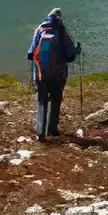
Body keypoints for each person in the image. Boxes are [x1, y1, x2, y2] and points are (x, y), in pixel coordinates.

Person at [27, 8, 81, 141]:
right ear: (60, 18)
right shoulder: (61, 31)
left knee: (41, 101)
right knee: (55, 100)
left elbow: (30, 53)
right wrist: (77, 50)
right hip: (58, 74)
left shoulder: (40, 29)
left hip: (40, 74)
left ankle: (40, 133)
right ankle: (52, 131)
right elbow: (70, 55)